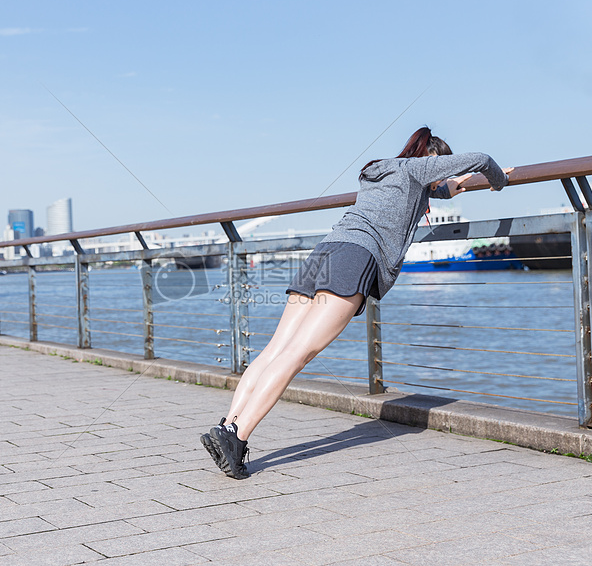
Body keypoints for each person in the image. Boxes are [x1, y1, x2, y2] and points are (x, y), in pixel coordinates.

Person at [201, 127, 511, 479]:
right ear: (433, 159)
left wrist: (469, 182)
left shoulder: (381, 171)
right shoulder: (418, 169)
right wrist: (498, 179)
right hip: (355, 258)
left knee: (276, 349)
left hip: (324, 252)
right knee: (296, 354)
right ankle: (237, 437)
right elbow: (483, 158)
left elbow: (445, 189)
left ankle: (227, 426)